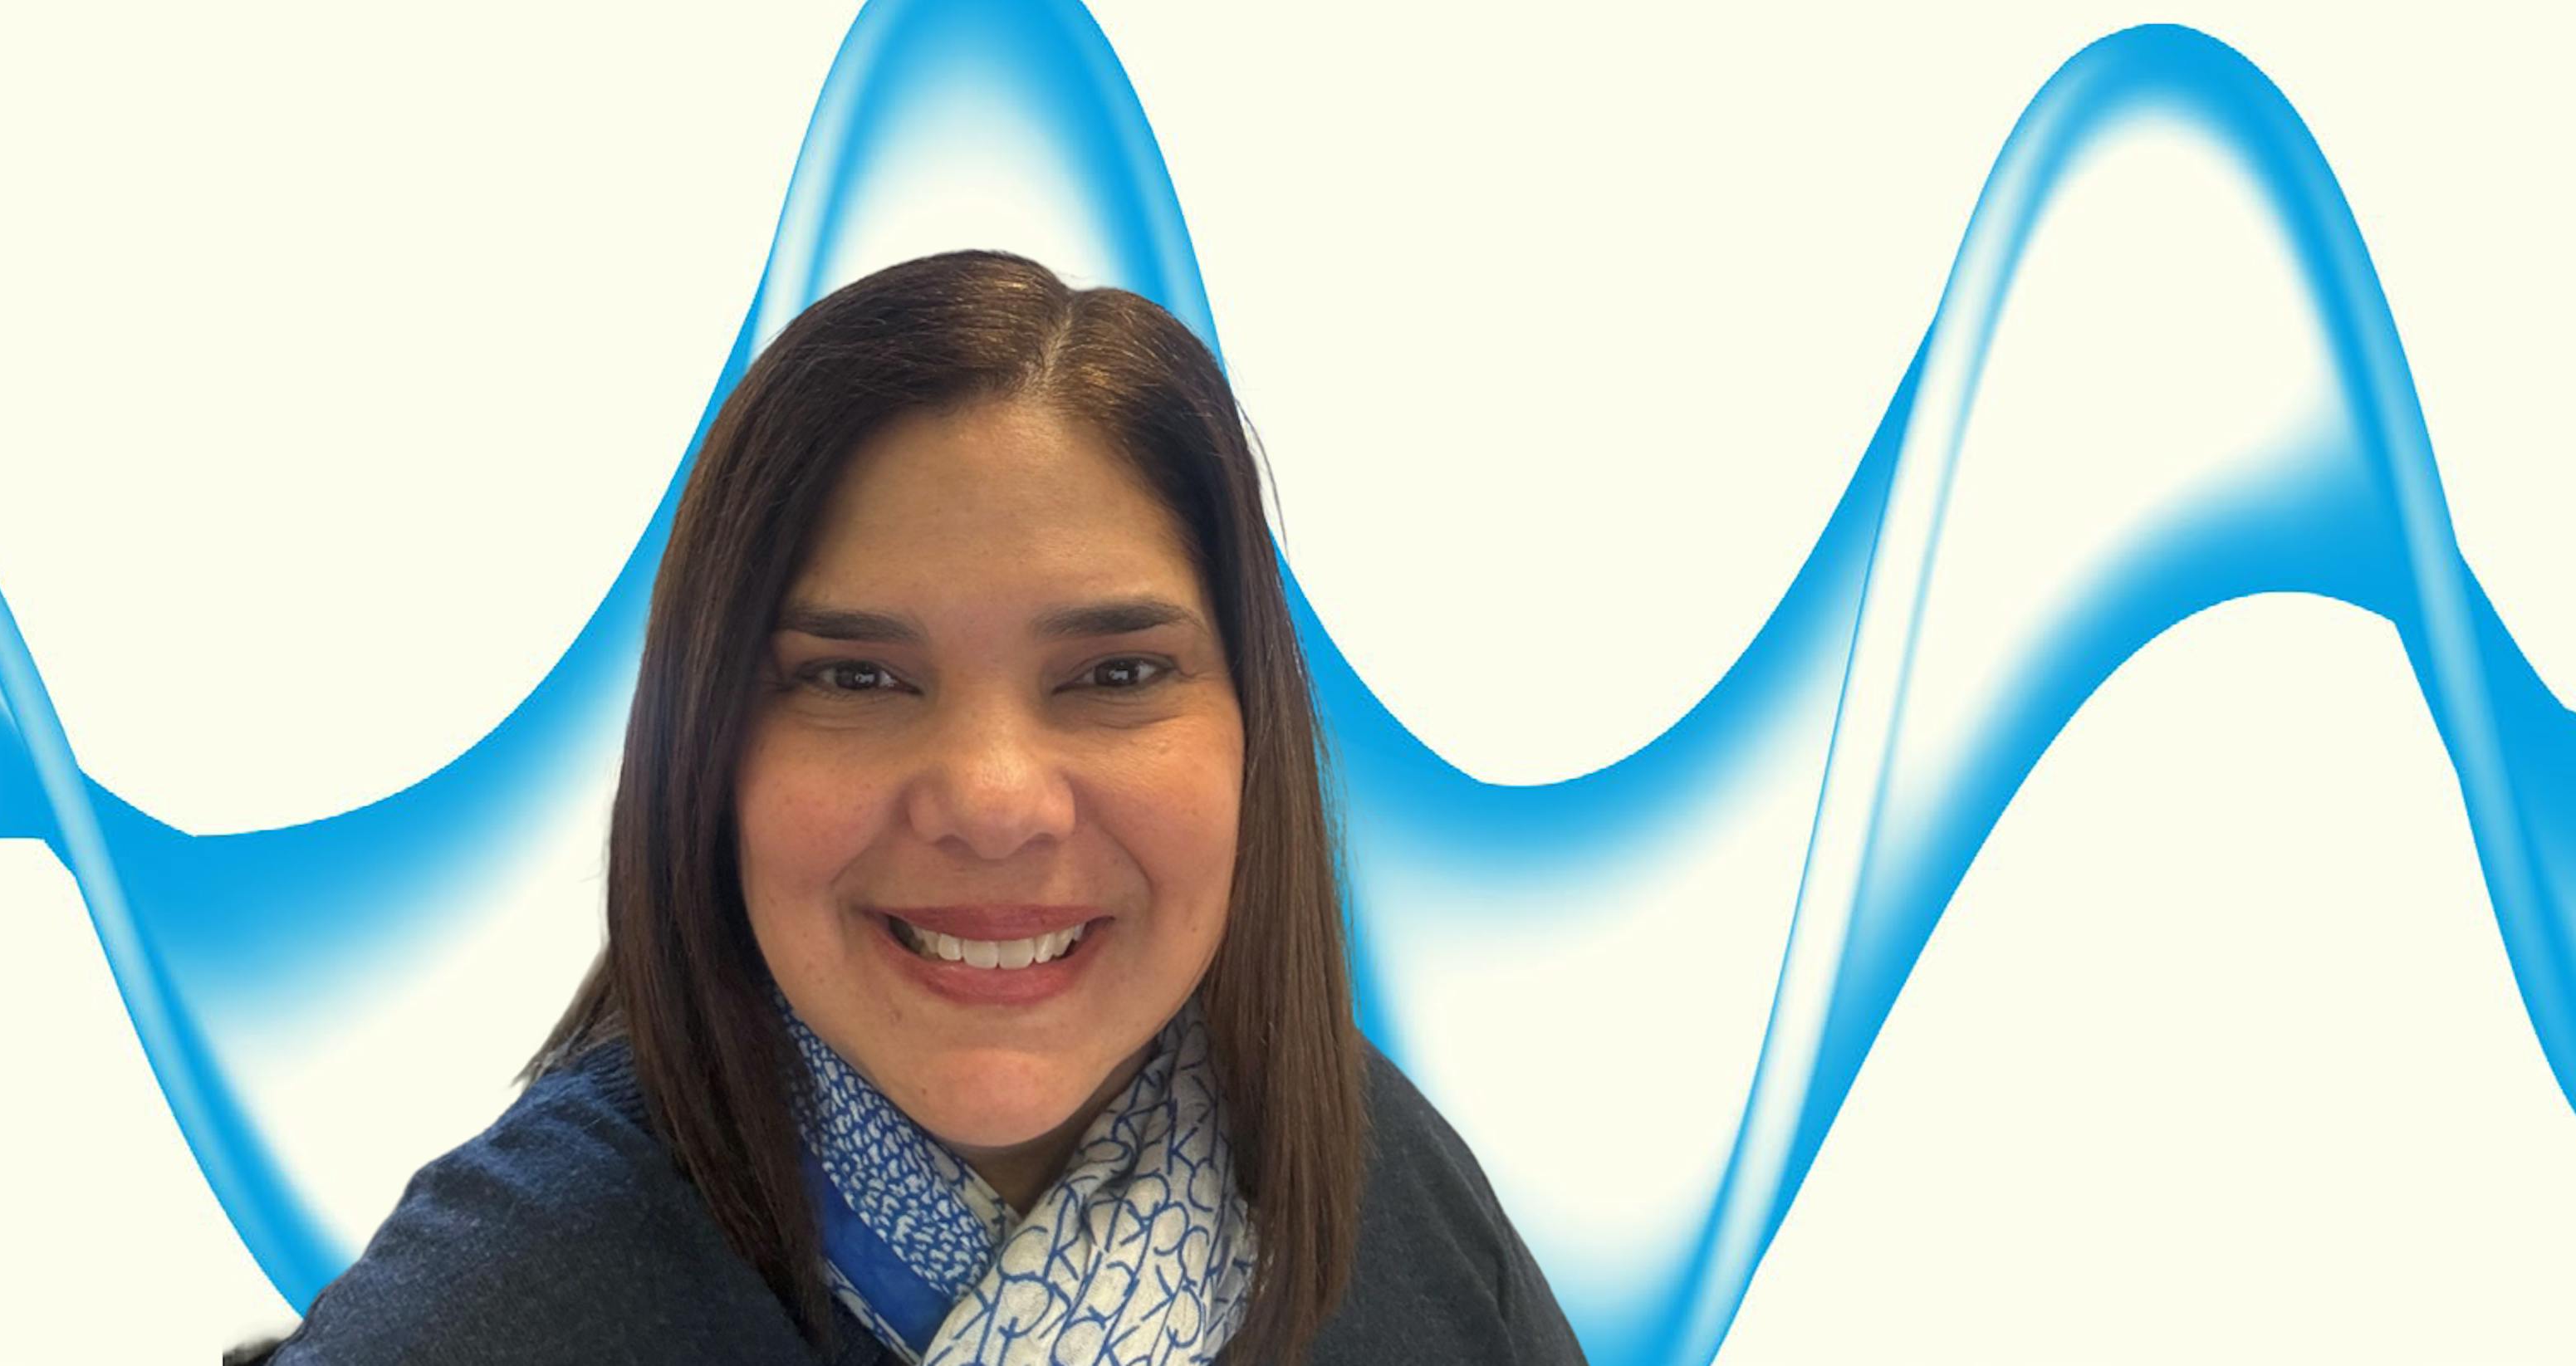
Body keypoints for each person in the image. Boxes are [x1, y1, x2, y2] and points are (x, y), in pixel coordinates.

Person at [226, 249, 1585, 1364]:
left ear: (1255, 737)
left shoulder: (1380, 1191)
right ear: (707, 753)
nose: (996, 802)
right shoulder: (501, 1312)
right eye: (859, 676)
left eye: (1116, 673)